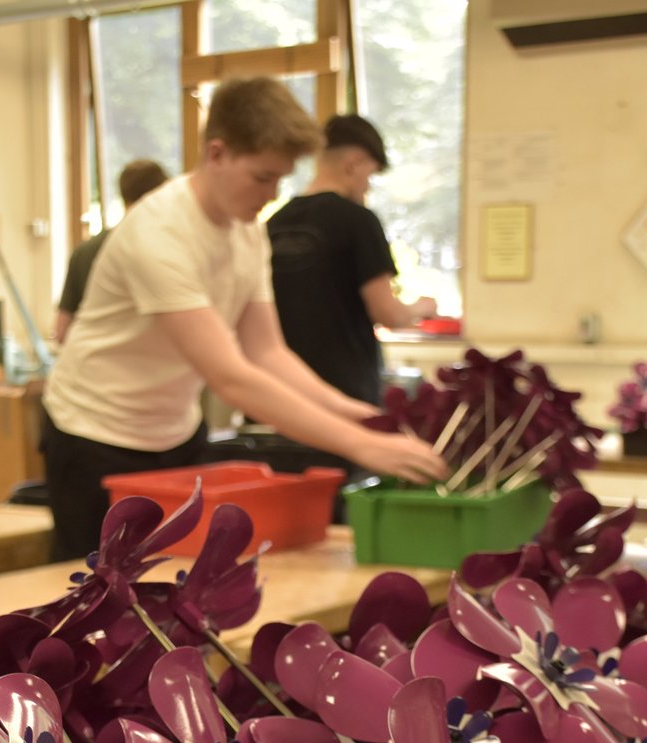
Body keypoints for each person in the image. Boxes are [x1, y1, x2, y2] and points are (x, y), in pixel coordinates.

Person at [41, 78, 447, 561]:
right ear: (217, 153)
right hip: (94, 436)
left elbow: (267, 352)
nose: (272, 193)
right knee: (100, 601)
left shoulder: (248, 230)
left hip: (175, 434)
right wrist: (363, 446)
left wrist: (360, 414)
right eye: (262, 177)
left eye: (280, 179)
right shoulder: (158, 234)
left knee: (177, 592)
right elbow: (230, 376)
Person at [268, 113, 438, 406]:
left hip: (278, 395)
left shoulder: (274, 223)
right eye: (370, 176)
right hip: (344, 394)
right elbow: (388, 313)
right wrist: (424, 307)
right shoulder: (358, 221)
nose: (368, 187)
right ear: (354, 163)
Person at [53, 159, 168, 344]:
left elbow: (61, 331)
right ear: (160, 194)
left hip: (90, 362)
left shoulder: (84, 251)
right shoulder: (159, 249)